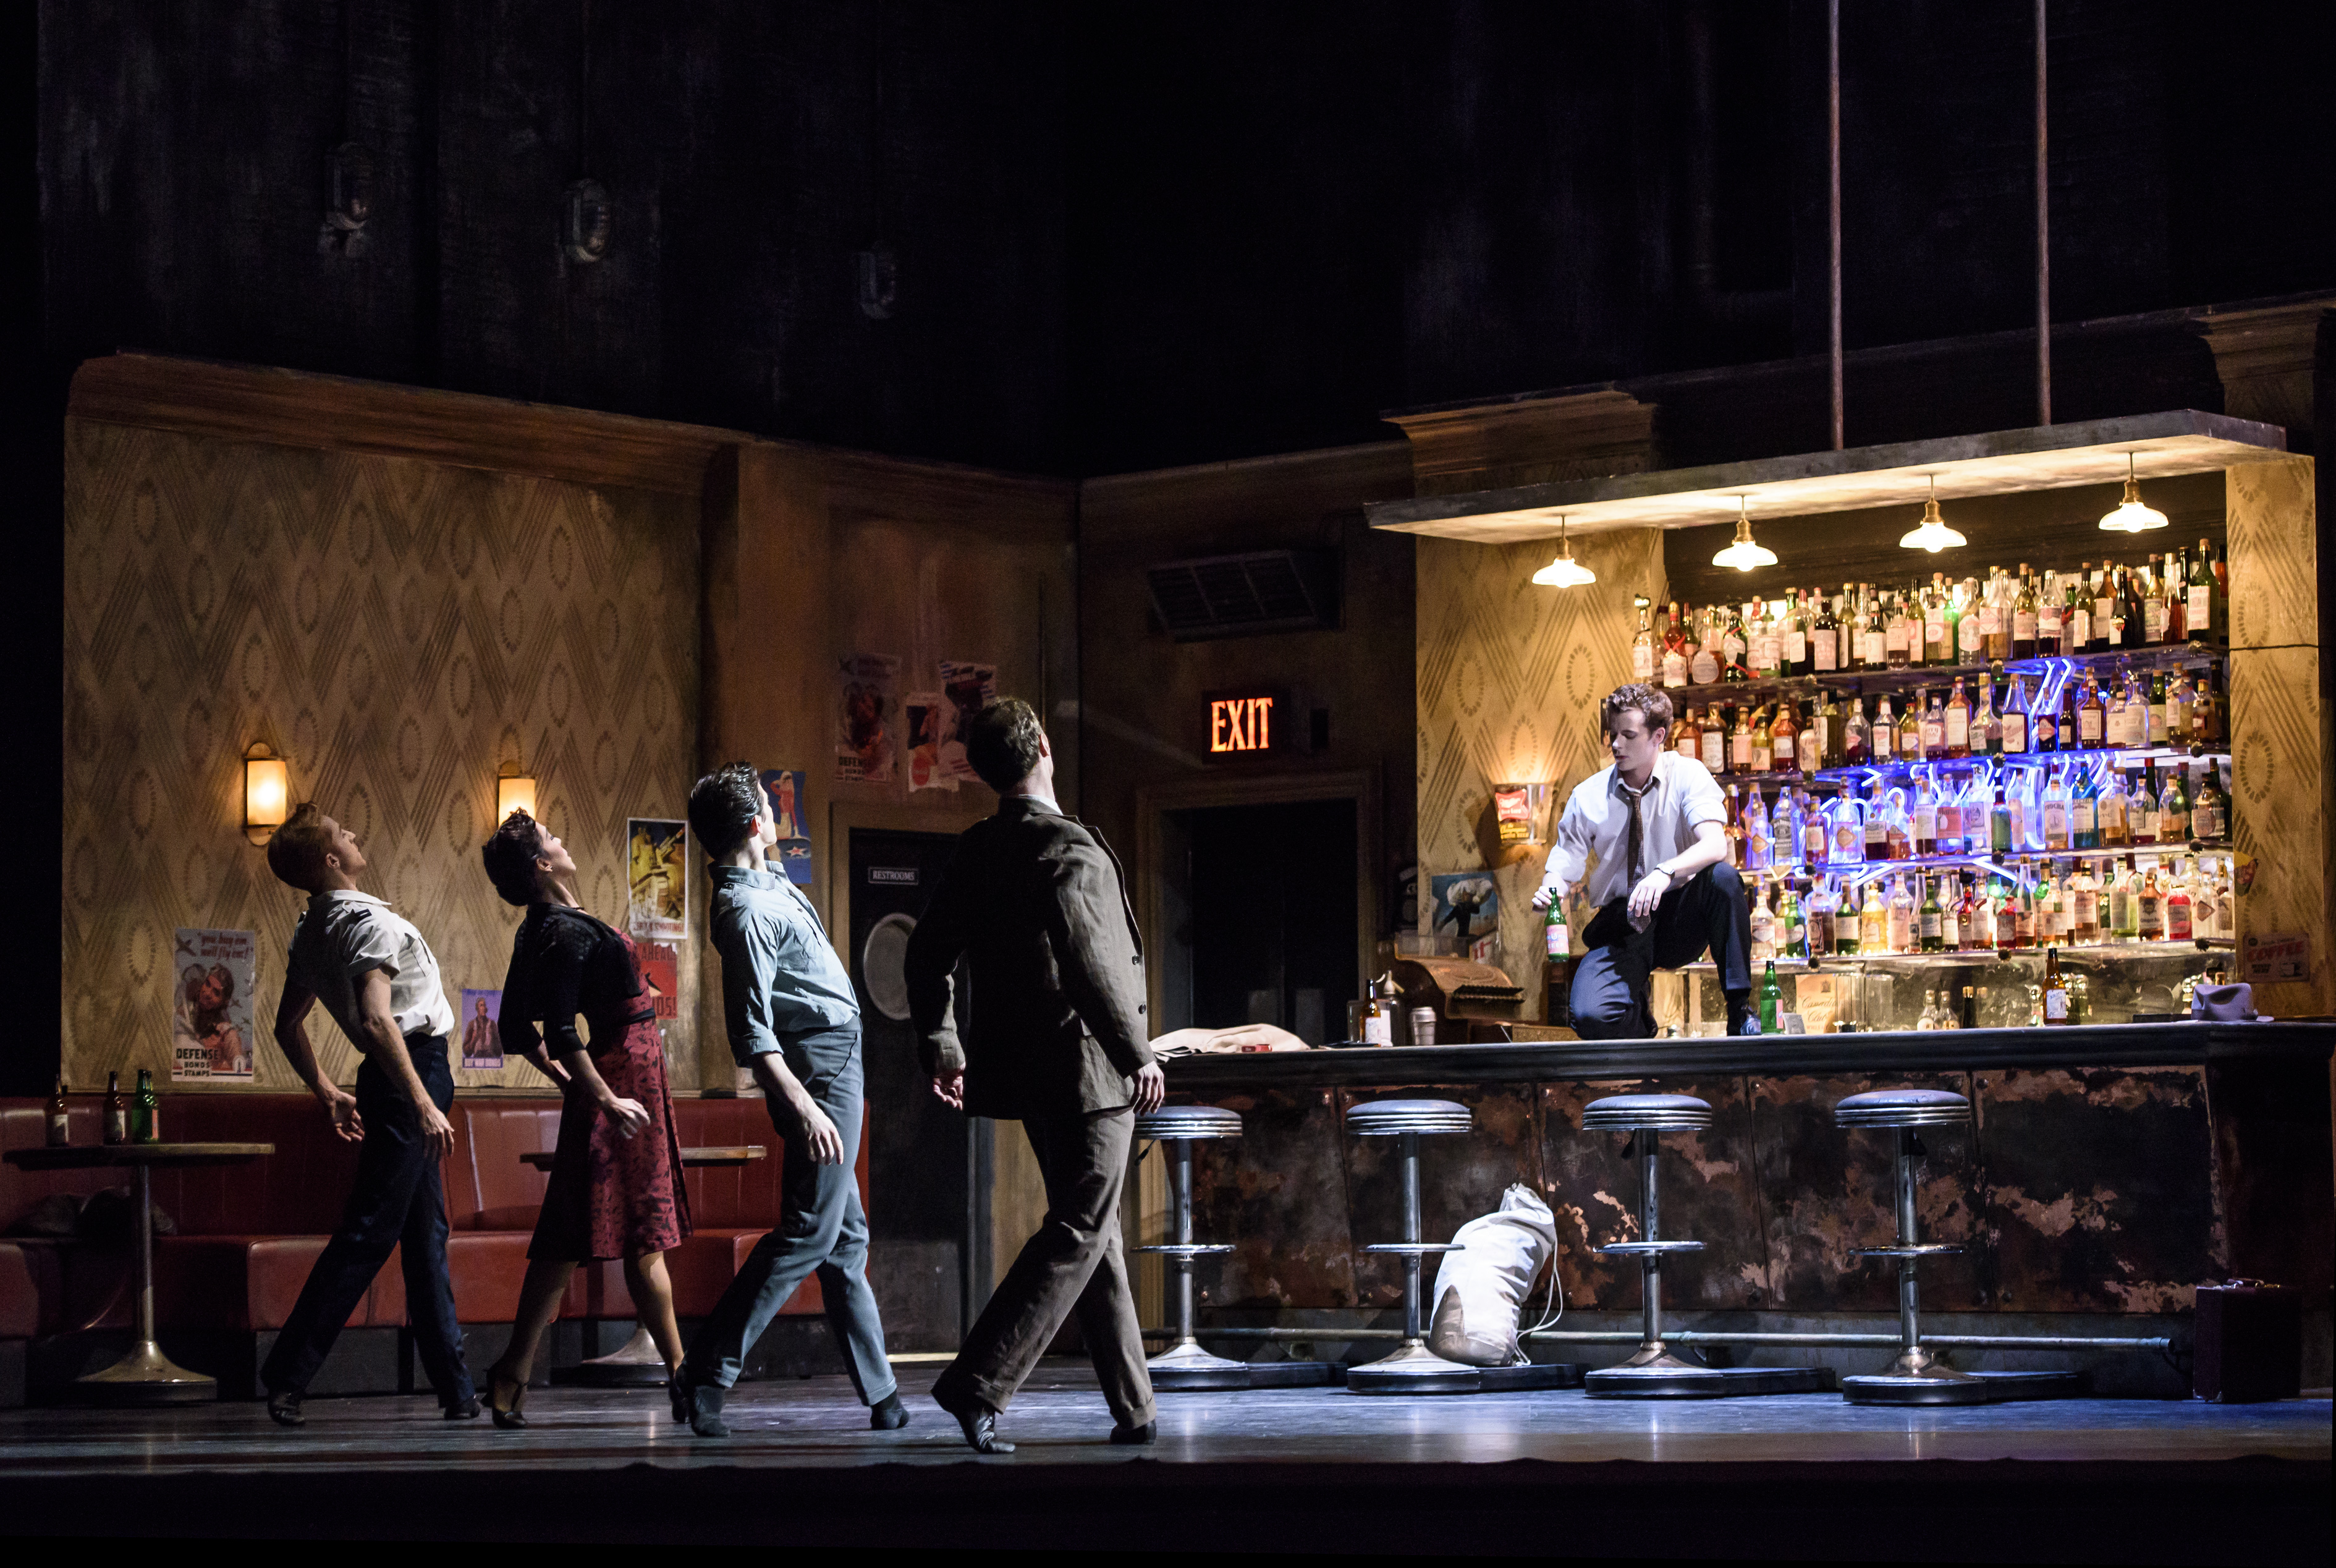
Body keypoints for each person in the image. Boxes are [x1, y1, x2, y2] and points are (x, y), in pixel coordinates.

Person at [905, 698, 1164, 1454]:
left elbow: (926, 955)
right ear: (1045, 747)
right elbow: (1089, 966)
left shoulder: (981, 847)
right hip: (1088, 1069)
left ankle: (1136, 1407)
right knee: (1083, 1226)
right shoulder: (1065, 848)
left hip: (1027, 1074)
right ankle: (978, 1380)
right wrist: (1135, 1053)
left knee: (1096, 1232)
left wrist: (944, 1045)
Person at [671, 764, 904, 1439]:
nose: (779, 819)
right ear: (753, 825)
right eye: (770, 811)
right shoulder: (745, 911)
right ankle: (706, 1371)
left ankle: (883, 1392)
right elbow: (752, 1036)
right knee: (811, 1230)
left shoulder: (769, 881)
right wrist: (806, 1107)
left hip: (837, 1061)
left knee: (843, 1236)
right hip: (820, 1072)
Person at [258, 803, 477, 1426]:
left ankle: (458, 1389)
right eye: (342, 833)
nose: (354, 835)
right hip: (412, 1071)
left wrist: (326, 1087)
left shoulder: (314, 927)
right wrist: (424, 1101)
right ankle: (288, 1373)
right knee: (371, 1230)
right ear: (330, 859)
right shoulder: (363, 919)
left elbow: (286, 1024)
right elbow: (380, 1018)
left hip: (389, 1076)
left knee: (425, 1236)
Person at [475, 811, 693, 1428]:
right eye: (550, 838)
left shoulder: (542, 927)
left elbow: (519, 1028)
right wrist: (600, 1094)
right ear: (542, 864)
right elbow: (559, 1028)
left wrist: (580, 1088)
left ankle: (512, 1373)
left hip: (618, 1084)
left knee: (574, 1236)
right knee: (637, 1233)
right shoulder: (562, 932)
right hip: (626, 1083)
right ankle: (684, 1376)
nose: (562, 838)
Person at [1531, 682, 1758, 1038]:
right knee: (1590, 1016)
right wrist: (1550, 889)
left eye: (1628, 735)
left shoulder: (1688, 774)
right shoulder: (1587, 796)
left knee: (1723, 879)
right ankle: (1641, 1024)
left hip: (1678, 916)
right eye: (1612, 734)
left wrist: (1664, 873)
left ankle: (1739, 1012)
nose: (1616, 745)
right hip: (1621, 923)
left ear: (1659, 737)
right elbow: (1563, 866)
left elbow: (1715, 846)